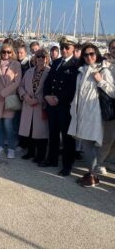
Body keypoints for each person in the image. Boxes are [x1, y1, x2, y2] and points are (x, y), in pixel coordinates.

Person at [67, 43, 115, 187]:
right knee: (86, 145)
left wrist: (100, 81)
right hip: (81, 113)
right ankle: (91, 174)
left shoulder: (103, 70)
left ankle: (92, 175)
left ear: (97, 54)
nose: (89, 57)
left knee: (91, 145)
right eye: (86, 55)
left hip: (95, 115)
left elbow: (113, 92)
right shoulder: (81, 71)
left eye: (92, 54)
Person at [42, 35, 80, 176]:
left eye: (66, 47)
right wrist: (46, 95)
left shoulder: (76, 65)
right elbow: (48, 82)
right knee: (53, 134)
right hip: (52, 105)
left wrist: (59, 99)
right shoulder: (56, 62)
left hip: (65, 107)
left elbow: (73, 88)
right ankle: (51, 159)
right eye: (62, 47)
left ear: (73, 48)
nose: (63, 50)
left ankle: (67, 165)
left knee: (66, 138)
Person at [0, 44, 22, 159]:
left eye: (8, 52)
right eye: (4, 52)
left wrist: (3, 93)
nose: (6, 54)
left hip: (8, 99)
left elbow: (17, 82)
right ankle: (0, 145)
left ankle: (11, 147)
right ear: (0, 53)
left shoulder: (16, 65)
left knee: (8, 125)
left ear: (12, 53)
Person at [18, 49, 50, 163]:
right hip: (28, 104)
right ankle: (30, 152)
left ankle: (40, 155)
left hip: (40, 105)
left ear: (47, 58)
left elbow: (49, 90)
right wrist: (25, 96)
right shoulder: (29, 71)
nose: (40, 59)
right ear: (35, 59)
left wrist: (37, 99)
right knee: (29, 130)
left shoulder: (49, 72)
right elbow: (20, 86)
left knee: (41, 133)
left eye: (43, 57)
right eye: (38, 57)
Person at [96, 39, 115, 173]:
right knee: (108, 137)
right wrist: (101, 82)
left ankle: (109, 161)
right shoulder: (104, 66)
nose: (114, 49)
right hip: (110, 106)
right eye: (112, 47)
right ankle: (99, 162)